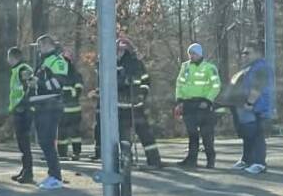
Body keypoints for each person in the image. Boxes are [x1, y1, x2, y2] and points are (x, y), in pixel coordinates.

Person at [91, 37, 164, 168]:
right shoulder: (110, 64)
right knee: (125, 136)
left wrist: (142, 94)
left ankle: (154, 160)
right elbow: (107, 81)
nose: (121, 52)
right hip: (121, 106)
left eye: (123, 50)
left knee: (145, 134)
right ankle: (127, 160)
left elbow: (145, 81)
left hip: (135, 105)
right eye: (119, 50)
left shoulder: (136, 63)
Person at [218, 43, 273, 174]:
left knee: (257, 135)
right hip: (246, 108)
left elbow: (257, 88)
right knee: (247, 135)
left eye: (247, 53)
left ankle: (259, 163)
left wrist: (249, 103)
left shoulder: (261, 68)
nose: (244, 56)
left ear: (258, 53)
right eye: (243, 53)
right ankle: (246, 160)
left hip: (258, 107)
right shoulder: (249, 68)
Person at [28, 34, 69, 189]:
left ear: (48, 45)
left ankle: (56, 177)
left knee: (48, 141)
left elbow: (59, 83)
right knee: (44, 142)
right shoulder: (44, 61)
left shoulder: (57, 61)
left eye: (41, 46)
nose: (39, 49)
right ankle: (52, 174)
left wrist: (39, 83)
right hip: (42, 105)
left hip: (51, 106)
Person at [174, 43, 221, 168]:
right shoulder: (185, 67)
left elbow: (216, 86)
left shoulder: (209, 67)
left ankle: (210, 160)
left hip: (203, 104)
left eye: (194, 53)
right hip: (188, 104)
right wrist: (179, 100)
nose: (191, 56)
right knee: (192, 134)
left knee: (207, 134)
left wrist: (208, 100)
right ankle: (191, 159)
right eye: (190, 53)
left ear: (200, 54)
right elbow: (179, 84)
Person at [6, 46, 35, 184]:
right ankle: (25, 170)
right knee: (22, 144)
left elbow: (30, 88)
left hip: (23, 111)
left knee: (24, 143)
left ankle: (28, 173)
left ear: (12, 57)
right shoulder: (17, 69)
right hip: (20, 110)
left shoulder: (22, 69)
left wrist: (22, 105)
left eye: (9, 57)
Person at [56, 50, 85, 161]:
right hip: (71, 109)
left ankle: (64, 154)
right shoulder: (76, 74)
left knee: (65, 133)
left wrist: (65, 91)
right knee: (72, 133)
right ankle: (74, 153)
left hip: (68, 109)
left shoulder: (63, 74)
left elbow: (77, 91)